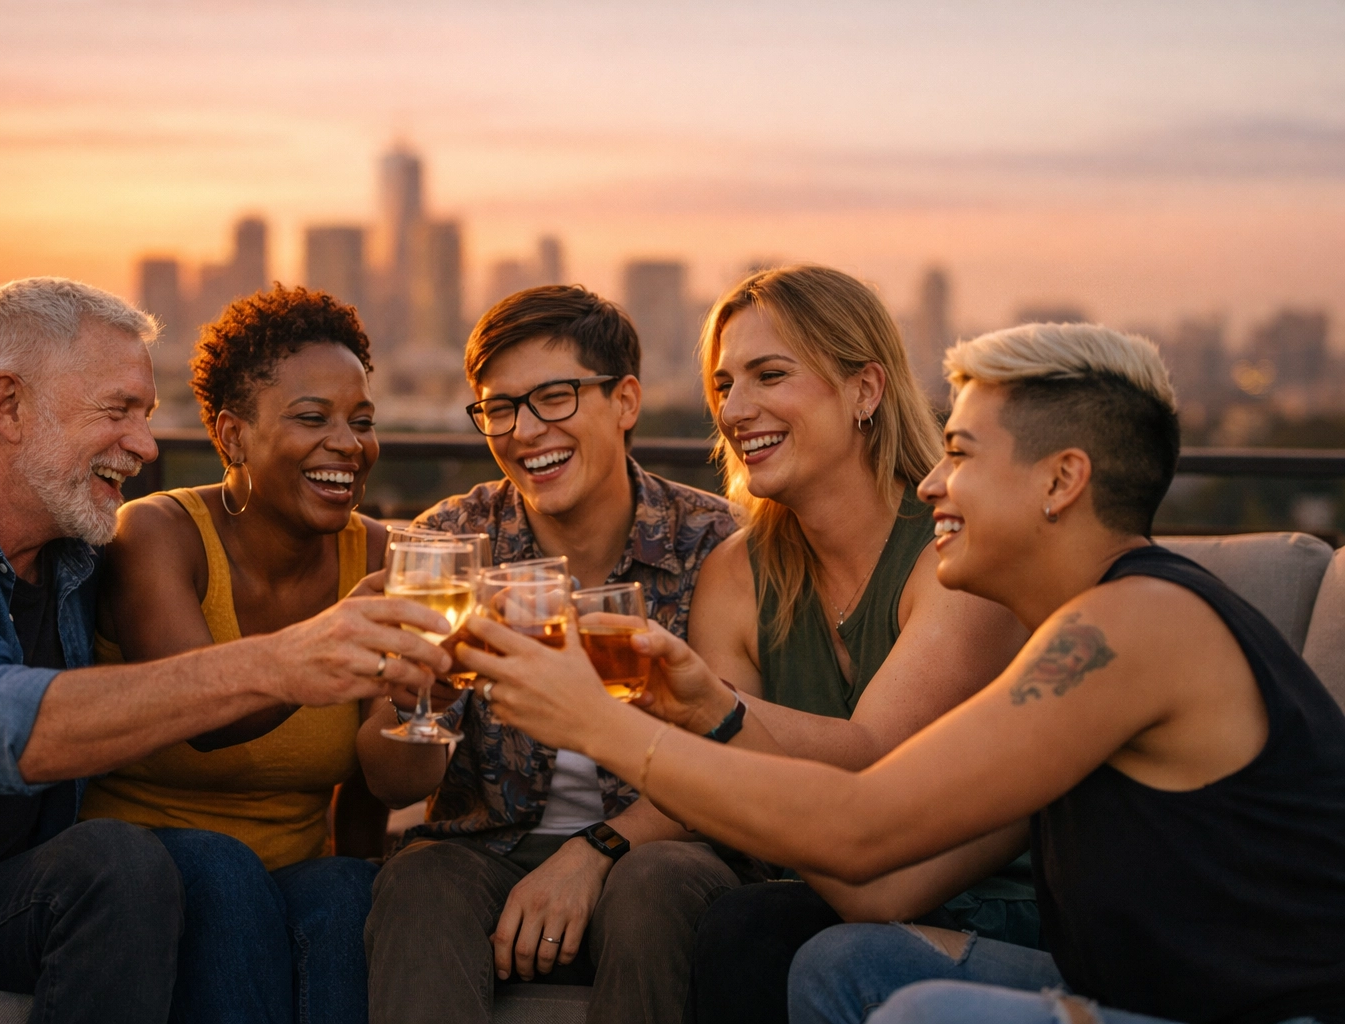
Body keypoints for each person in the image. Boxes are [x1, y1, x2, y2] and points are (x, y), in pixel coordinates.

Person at [458, 322, 1345, 1024]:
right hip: (1139, 997)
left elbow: (857, 828)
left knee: (918, 1008)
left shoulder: (1128, 629)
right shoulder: (1069, 638)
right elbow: (872, 886)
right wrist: (711, 710)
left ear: (1061, 480)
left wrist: (599, 724)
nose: (930, 485)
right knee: (851, 960)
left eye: (961, 454)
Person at [0, 278, 453, 1023]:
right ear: (8, 403)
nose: (147, 446)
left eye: (145, 416)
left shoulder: (75, 549)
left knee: (119, 863)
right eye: (118, 411)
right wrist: (287, 659)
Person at [359, 285, 743, 1024]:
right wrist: (424, 698)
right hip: (484, 850)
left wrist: (594, 851)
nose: (526, 430)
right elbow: (389, 782)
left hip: (661, 845)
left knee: (656, 885)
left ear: (625, 401)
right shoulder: (451, 541)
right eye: (500, 408)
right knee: (418, 880)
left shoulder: (713, 542)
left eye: (555, 398)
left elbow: (734, 757)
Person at [683, 266, 1030, 1024]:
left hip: (985, 905)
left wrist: (706, 706)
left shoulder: (954, 556)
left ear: (865, 390)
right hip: (824, 885)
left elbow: (878, 758)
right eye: (724, 386)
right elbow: (721, 789)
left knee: (762, 933)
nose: (735, 410)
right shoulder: (735, 574)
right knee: (730, 920)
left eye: (769, 375)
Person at [79, 285, 390, 1024]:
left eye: (363, 421)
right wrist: (342, 633)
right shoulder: (155, 534)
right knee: (223, 874)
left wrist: (429, 699)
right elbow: (206, 717)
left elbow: (382, 786)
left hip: (294, 867)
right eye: (312, 418)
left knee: (352, 890)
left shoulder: (379, 552)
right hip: (148, 858)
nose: (348, 443)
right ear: (233, 435)